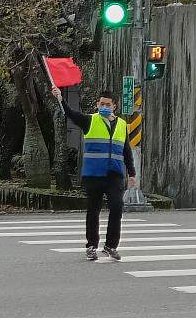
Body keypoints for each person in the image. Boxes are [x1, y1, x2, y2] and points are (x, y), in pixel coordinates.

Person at [51, 86, 136, 262]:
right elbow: (71, 114)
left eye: (107, 104)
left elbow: (126, 150)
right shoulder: (90, 120)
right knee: (93, 210)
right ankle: (91, 246)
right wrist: (60, 98)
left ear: (114, 106)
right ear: (97, 104)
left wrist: (132, 173)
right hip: (93, 175)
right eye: (101, 103)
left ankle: (111, 246)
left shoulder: (122, 125)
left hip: (115, 175)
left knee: (117, 208)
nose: (103, 106)